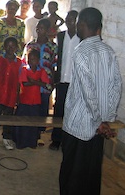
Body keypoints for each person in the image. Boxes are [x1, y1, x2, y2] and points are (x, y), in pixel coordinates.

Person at [59, 8, 122, 195]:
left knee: (72, 172)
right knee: (91, 172)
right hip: (98, 128)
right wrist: (106, 119)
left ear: (82, 25)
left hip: (79, 125)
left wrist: (98, 120)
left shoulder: (81, 51)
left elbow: (87, 91)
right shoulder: (108, 51)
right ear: (99, 28)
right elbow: (116, 87)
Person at [24, 18, 57, 145]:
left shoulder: (52, 47)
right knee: (31, 108)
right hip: (31, 83)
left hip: (45, 84)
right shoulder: (30, 45)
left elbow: (53, 66)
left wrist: (52, 82)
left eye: (42, 28)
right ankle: (28, 133)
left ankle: (38, 134)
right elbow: (24, 63)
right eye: (38, 28)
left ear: (48, 30)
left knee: (42, 108)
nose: (39, 30)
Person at [49, 10, 79, 151]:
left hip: (75, 82)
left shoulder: (82, 38)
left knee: (72, 111)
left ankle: (68, 140)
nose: (69, 22)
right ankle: (56, 140)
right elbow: (57, 57)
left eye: (73, 20)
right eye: (68, 19)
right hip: (61, 80)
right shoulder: (60, 36)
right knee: (58, 109)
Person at [0, 36, 23, 150]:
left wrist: (18, 96)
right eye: (8, 45)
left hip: (11, 95)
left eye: (13, 46)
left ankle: (7, 137)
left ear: (16, 48)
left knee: (8, 118)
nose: (10, 48)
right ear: (4, 47)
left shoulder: (19, 63)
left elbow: (19, 81)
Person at [14, 49, 50, 149]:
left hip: (36, 101)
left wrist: (33, 81)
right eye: (29, 59)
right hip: (24, 100)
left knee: (33, 123)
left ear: (38, 61)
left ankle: (31, 142)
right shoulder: (25, 70)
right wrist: (38, 82)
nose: (31, 61)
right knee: (22, 122)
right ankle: (21, 142)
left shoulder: (41, 71)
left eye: (33, 59)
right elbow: (25, 83)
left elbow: (46, 84)